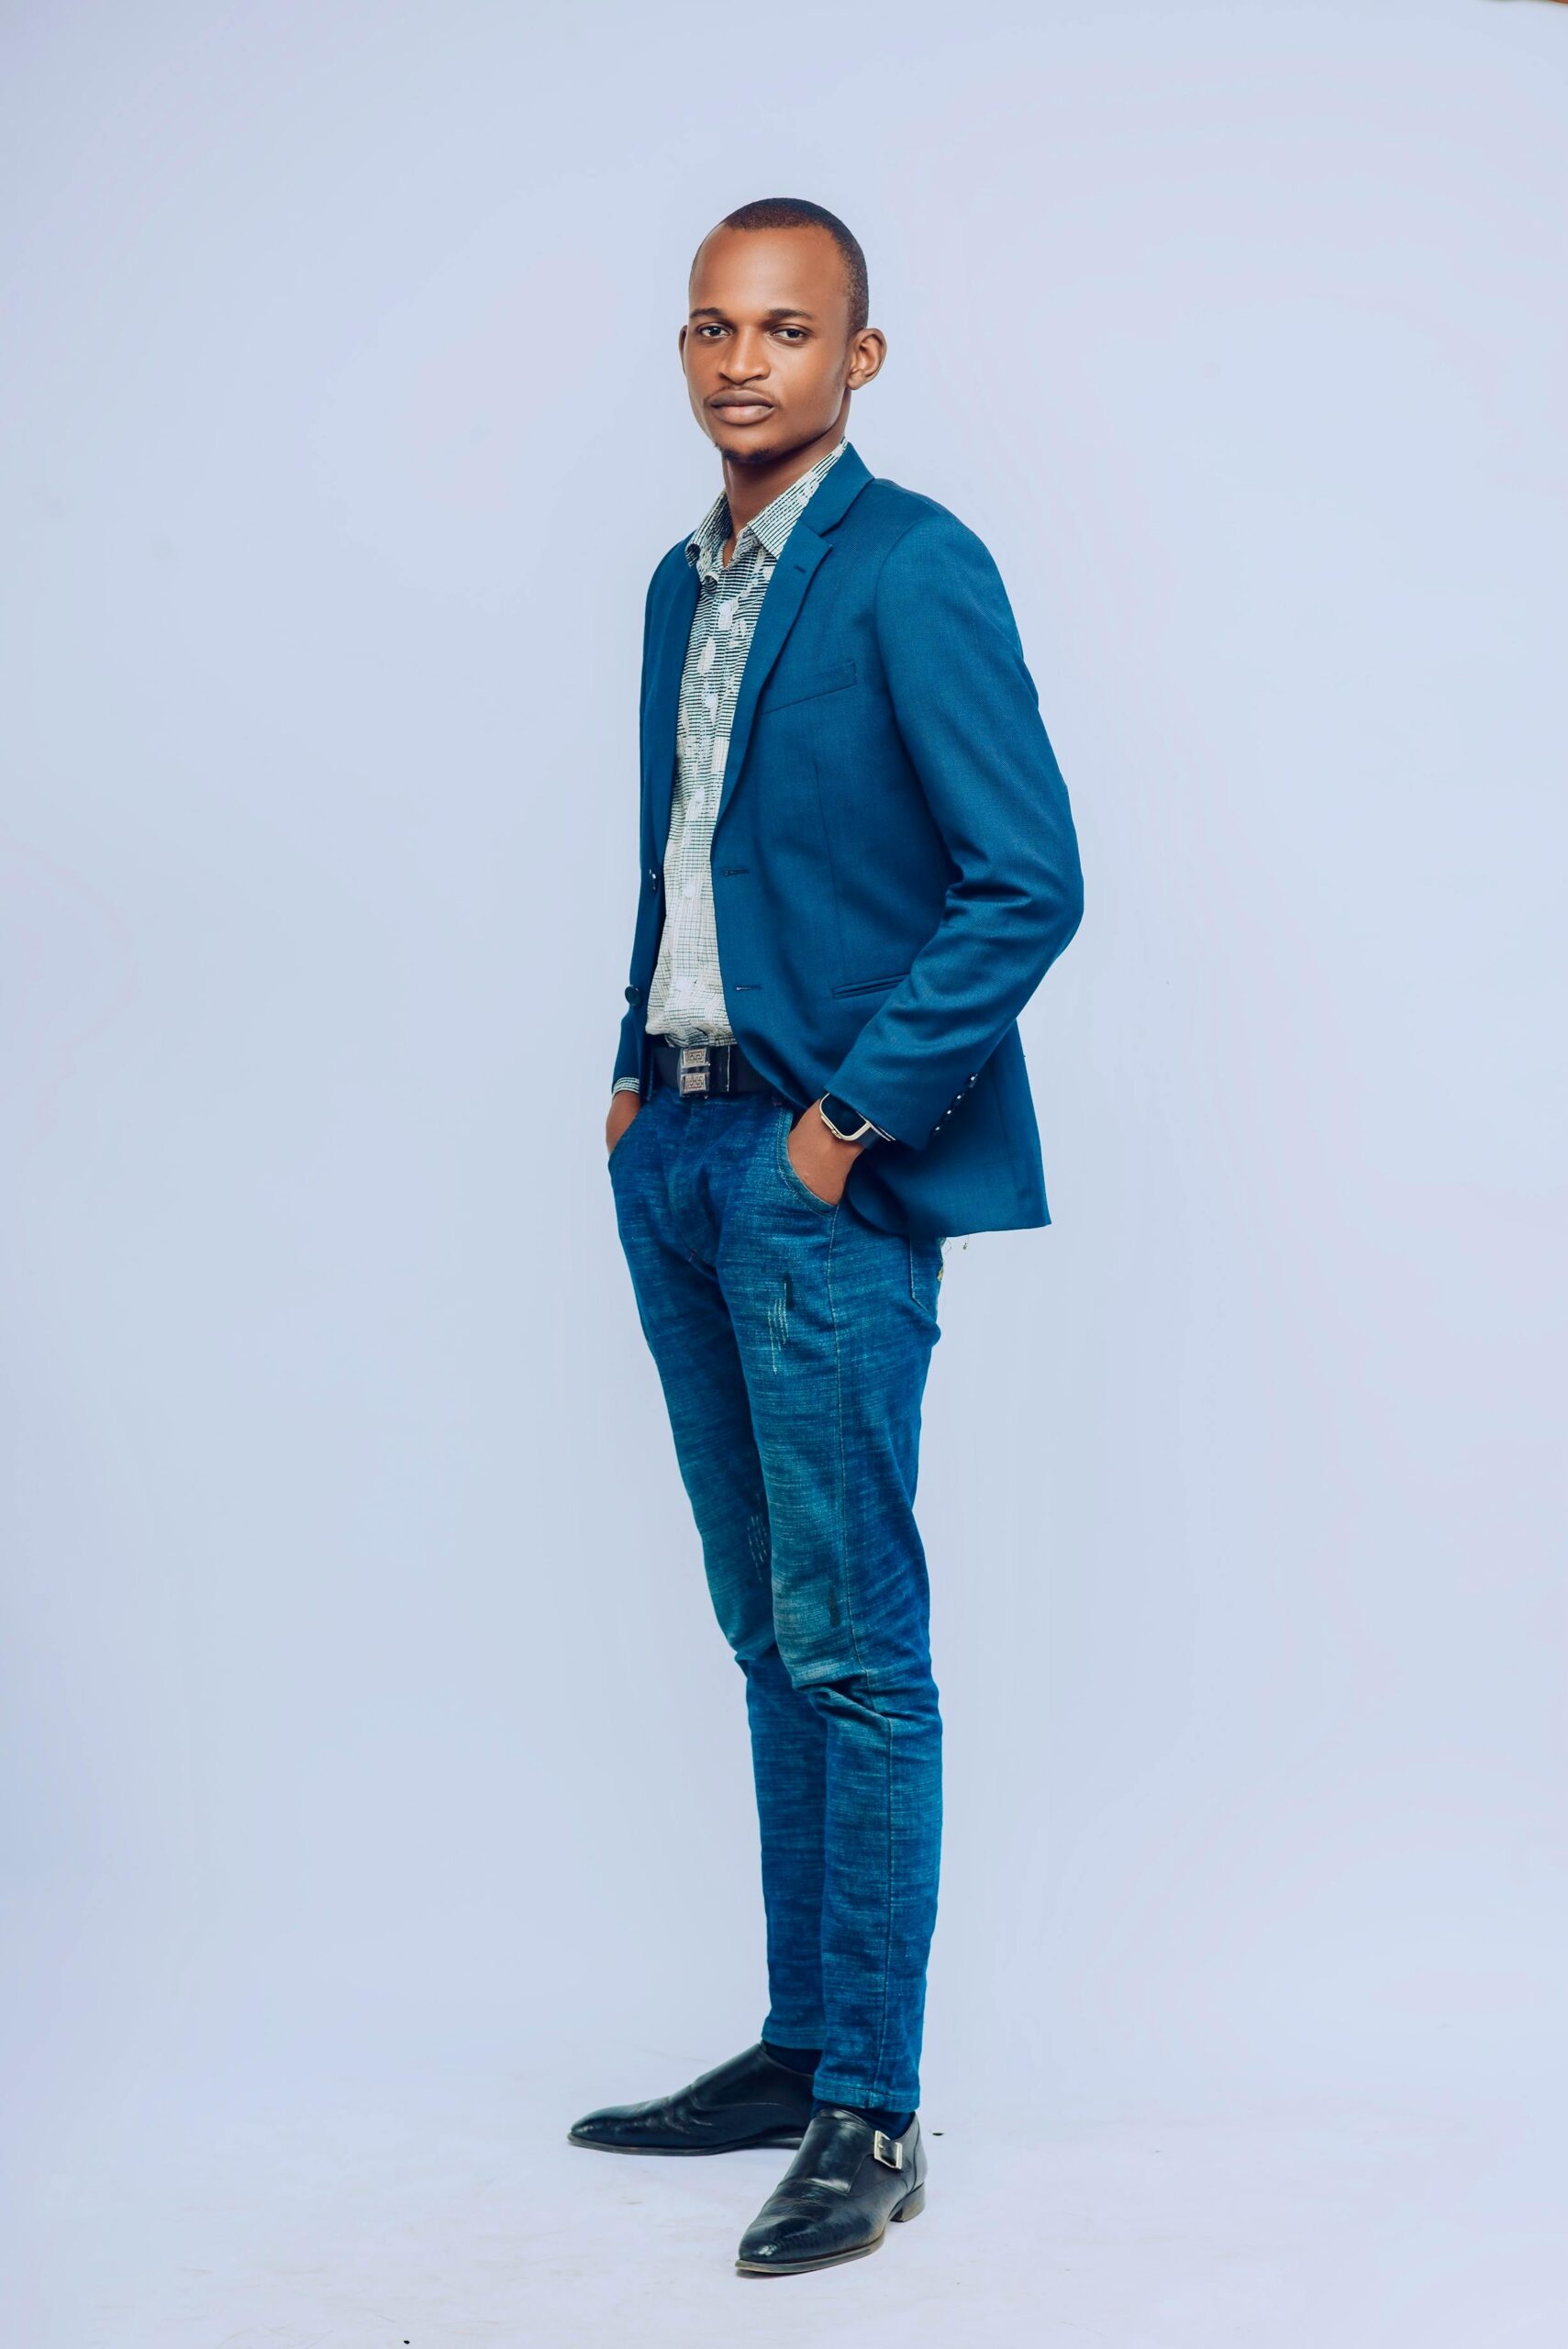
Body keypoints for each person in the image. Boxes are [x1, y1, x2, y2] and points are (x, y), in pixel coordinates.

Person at [570, 195, 1084, 2278]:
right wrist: (628, 1056)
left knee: (860, 1648)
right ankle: (798, 2045)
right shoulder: (671, 587)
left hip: (817, 1182)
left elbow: (1025, 877)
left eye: (787, 329)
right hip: (678, 1154)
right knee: (768, 1632)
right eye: (710, 326)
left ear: (858, 358)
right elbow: (692, 846)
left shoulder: (915, 566)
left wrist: (846, 1123)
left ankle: (873, 2103)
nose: (740, 361)